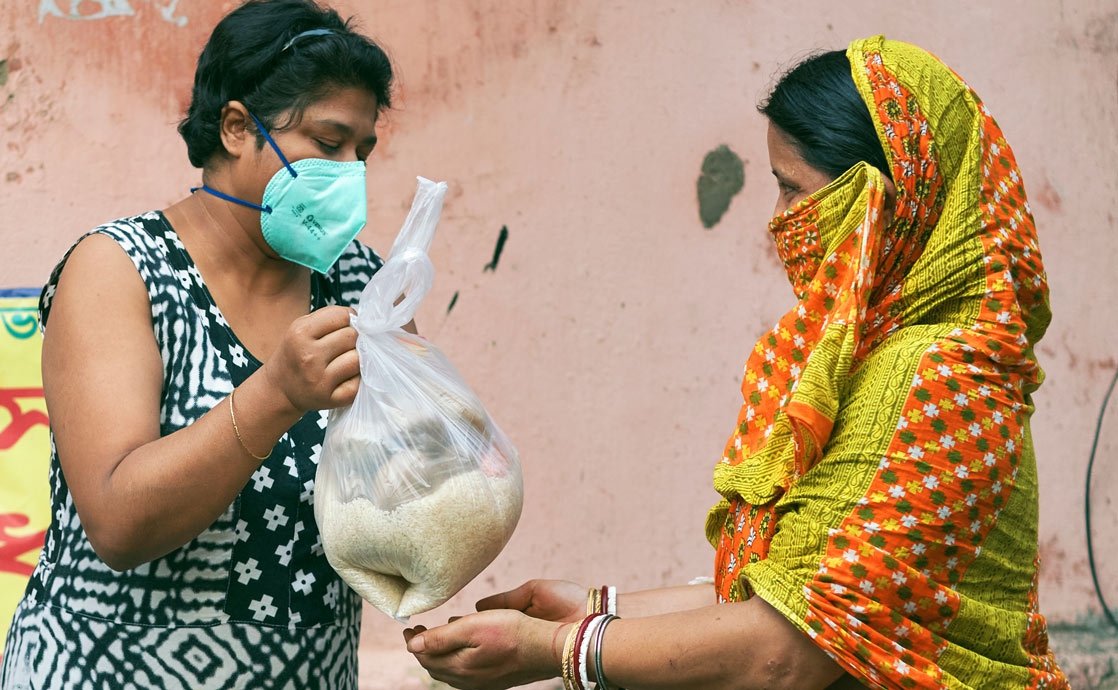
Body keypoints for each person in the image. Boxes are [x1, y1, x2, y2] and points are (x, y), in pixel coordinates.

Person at [403, 36, 1068, 690]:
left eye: (792, 189)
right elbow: (790, 598)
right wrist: (595, 608)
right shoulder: (874, 359)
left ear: (885, 202)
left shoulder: (938, 380)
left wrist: (557, 649)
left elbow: (787, 653)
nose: (779, 222)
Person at [0, 1, 399, 687]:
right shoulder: (121, 269)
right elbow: (120, 524)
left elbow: (402, 493)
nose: (350, 174)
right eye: (328, 143)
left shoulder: (358, 279)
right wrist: (277, 394)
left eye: (361, 151)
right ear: (237, 128)